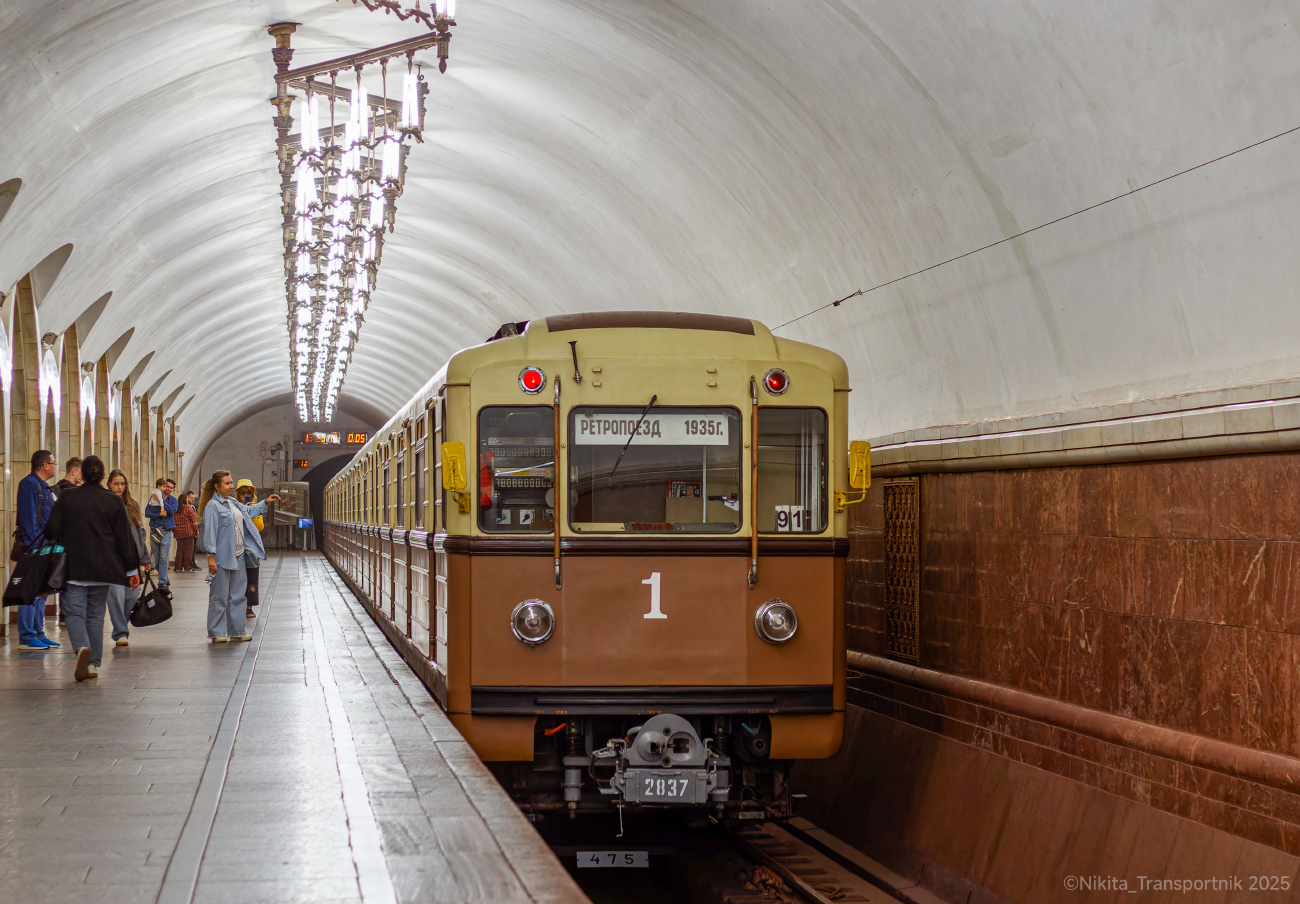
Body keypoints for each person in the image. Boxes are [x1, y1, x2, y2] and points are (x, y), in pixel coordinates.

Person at [42, 456, 141, 681]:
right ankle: (93, 664)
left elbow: (52, 529)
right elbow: (124, 537)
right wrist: (132, 570)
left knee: (74, 612)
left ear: (82, 474)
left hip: (74, 567)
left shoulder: (67, 496)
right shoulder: (113, 500)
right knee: (96, 616)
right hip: (103, 569)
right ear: (103, 476)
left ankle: (82, 647)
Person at [197, 471, 278, 643]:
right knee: (219, 595)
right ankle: (217, 632)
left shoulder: (233, 502)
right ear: (217, 486)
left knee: (238, 595)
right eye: (227, 483)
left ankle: (237, 631)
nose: (231, 486)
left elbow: (249, 511)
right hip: (222, 556)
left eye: (231, 482)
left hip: (239, 554)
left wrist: (266, 502)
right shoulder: (213, 506)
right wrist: (211, 557)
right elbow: (210, 533)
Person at [15, 450, 60, 650]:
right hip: (35, 548)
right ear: (45, 465)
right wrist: (34, 548)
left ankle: (38, 632)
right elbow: (27, 519)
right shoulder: (29, 484)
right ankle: (27, 636)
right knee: (30, 592)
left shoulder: (44, 487)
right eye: (53, 463)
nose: (55, 466)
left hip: (46, 547)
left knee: (41, 593)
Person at [105, 469, 153, 646]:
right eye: (116, 484)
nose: (119, 487)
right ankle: (120, 633)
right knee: (116, 597)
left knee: (132, 596)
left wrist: (145, 559)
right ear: (109, 484)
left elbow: (141, 533)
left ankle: (121, 626)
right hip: (113, 559)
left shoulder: (132, 504)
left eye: (122, 484)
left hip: (132, 559)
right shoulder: (105, 503)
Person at [54, 457, 83, 625]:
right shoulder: (74, 492)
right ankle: (69, 614)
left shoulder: (55, 488)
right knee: (73, 581)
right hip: (74, 542)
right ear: (74, 471)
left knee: (62, 578)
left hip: (58, 542)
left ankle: (63, 614)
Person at [234, 479, 265, 619]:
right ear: (238, 495)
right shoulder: (233, 508)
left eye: (249, 494)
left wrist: (252, 512)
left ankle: (249, 606)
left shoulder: (255, 508)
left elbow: (259, 527)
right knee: (237, 578)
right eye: (243, 494)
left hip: (251, 549)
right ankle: (237, 605)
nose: (246, 496)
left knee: (252, 577)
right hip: (236, 547)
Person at [144, 478, 178, 588]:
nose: (169, 489)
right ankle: (164, 577)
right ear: (162, 486)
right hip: (154, 531)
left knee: (163, 557)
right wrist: (159, 514)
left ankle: (162, 581)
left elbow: (172, 511)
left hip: (166, 531)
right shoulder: (153, 498)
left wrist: (162, 501)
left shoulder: (173, 500)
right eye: (167, 486)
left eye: (171, 488)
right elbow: (147, 513)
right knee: (157, 557)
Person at [172, 491, 198, 572]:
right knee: (188, 550)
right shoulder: (189, 509)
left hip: (178, 533)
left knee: (179, 549)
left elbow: (173, 521)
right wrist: (196, 531)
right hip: (188, 532)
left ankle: (178, 567)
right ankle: (187, 567)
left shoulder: (175, 510)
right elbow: (194, 522)